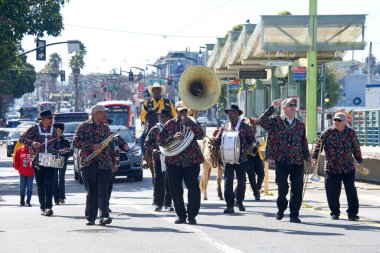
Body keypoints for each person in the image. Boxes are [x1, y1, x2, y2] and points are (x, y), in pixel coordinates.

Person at [258, 98, 311, 223]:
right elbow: (261, 121)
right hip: (281, 160)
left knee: (297, 188)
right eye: (290, 105)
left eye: (295, 105)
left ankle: (294, 214)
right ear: (284, 108)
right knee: (282, 187)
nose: (293, 107)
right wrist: (272, 107)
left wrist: (308, 157)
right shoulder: (275, 121)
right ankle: (281, 208)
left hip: (297, 160)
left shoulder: (299, 124)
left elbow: (303, 142)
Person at [158, 101, 204, 225]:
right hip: (173, 161)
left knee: (193, 188)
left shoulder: (193, 122)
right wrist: (173, 138)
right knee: (176, 189)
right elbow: (160, 141)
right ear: (176, 111)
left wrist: (191, 124)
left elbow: (201, 135)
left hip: (191, 161)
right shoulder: (170, 124)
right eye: (180, 111)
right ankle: (181, 215)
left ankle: (192, 215)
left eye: (185, 111)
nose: (183, 113)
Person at [312, 112, 363, 221]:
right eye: (335, 120)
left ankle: (352, 213)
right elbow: (318, 146)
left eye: (339, 120)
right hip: (332, 167)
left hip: (348, 167)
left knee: (351, 191)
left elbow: (356, 147)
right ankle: (335, 212)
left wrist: (359, 161)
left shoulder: (351, 133)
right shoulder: (327, 133)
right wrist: (314, 158)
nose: (336, 122)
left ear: (345, 122)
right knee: (332, 192)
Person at [73, 105, 117, 226]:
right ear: (95, 114)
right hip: (88, 163)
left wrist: (113, 162)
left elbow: (111, 146)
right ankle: (91, 217)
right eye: (103, 113)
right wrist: (92, 145)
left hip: (105, 163)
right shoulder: (83, 126)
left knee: (104, 190)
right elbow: (75, 142)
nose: (105, 115)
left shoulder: (106, 128)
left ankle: (104, 216)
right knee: (92, 191)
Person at [213, 105, 255, 214]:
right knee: (228, 182)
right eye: (229, 113)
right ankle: (229, 205)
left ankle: (239, 201)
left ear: (238, 114)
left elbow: (253, 142)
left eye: (233, 112)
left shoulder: (246, 127)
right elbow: (218, 140)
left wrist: (247, 150)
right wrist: (214, 142)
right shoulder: (224, 127)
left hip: (242, 158)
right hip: (228, 159)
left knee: (241, 181)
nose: (231, 115)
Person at [19, 110, 60, 216]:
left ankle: (48, 207)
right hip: (37, 160)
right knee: (41, 184)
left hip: (50, 160)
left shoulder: (54, 131)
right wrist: (32, 143)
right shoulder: (34, 129)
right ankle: (42, 207)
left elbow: (56, 145)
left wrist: (60, 151)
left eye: (52, 118)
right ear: (43, 119)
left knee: (49, 183)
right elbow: (22, 139)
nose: (51, 120)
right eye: (49, 118)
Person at [144, 109, 173, 212]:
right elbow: (147, 143)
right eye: (161, 117)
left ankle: (168, 204)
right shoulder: (154, 129)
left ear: (168, 118)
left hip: (171, 157)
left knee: (170, 181)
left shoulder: (173, 128)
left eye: (165, 117)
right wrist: (153, 149)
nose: (163, 118)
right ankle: (158, 204)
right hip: (158, 157)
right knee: (158, 181)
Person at [140, 82, 176, 154]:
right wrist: (147, 123)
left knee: (177, 137)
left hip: (166, 126)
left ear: (160, 91)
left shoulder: (168, 102)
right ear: (152, 92)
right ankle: (144, 156)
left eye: (158, 89)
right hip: (151, 126)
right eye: (155, 90)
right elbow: (143, 117)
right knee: (142, 138)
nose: (156, 91)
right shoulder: (147, 103)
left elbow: (174, 115)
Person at [105, 118, 129, 213]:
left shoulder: (115, 136)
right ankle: (100, 204)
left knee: (109, 185)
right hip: (98, 165)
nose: (105, 125)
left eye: (106, 124)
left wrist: (124, 147)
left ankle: (105, 205)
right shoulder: (96, 135)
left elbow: (125, 147)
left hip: (112, 165)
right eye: (103, 123)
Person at [245, 117, 265, 201]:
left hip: (256, 153)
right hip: (247, 155)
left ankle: (257, 187)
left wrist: (259, 144)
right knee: (251, 175)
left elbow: (261, 141)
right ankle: (256, 193)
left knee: (261, 173)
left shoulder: (258, 129)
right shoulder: (245, 131)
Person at [52, 123, 71, 205]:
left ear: (62, 132)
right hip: (54, 160)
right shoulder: (51, 141)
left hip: (62, 161)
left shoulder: (66, 141)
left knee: (61, 179)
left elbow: (69, 152)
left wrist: (65, 152)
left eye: (59, 130)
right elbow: (50, 150)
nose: (57, 132)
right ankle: (56, 198)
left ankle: (62, 197)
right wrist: (59, 151)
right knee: (54, 179)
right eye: (55, 130)